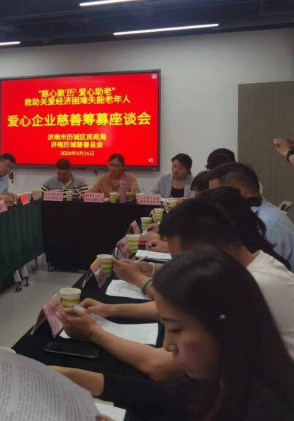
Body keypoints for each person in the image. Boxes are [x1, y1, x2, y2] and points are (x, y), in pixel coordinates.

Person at [63, 194, 294, 382]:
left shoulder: (252, 285)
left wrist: (93, 332)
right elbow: (182, 311)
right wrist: (110, 310)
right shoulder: (250, 266)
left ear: (208, 250)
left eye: (180, 260)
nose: (177, 268)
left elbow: (161, 366)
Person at [52, 250, 294, 420]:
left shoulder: (267, 410)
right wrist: (73, 377)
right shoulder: (220, 378)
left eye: (176, 329)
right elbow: (171, 397)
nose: (167, 344)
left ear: (223, 327)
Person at [208, 162, 294, 267]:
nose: (212, 200)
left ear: (238, 192)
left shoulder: (263, 225)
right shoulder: (264, 212)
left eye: (215, 194)